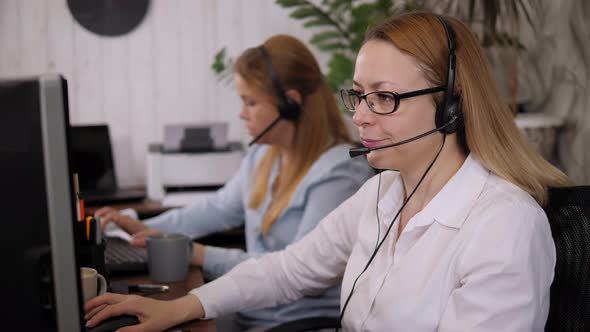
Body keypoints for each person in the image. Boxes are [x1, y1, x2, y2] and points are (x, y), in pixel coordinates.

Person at [86, 12, 573, 332]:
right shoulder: (384, 192)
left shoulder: (503, 225)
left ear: (451, 107)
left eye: (384, 97)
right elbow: (290, 269)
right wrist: (181, 307)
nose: (360, 116)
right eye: (359, 95)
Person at [94, 34, 374, 330]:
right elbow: (215, 208)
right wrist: (146, 227)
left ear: (289, 104)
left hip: (296, 323)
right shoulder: (264, 155)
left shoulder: (340, 173)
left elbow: (298, 272)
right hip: (250, 314)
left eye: (250, 102)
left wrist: (197, 253)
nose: (241, 113)